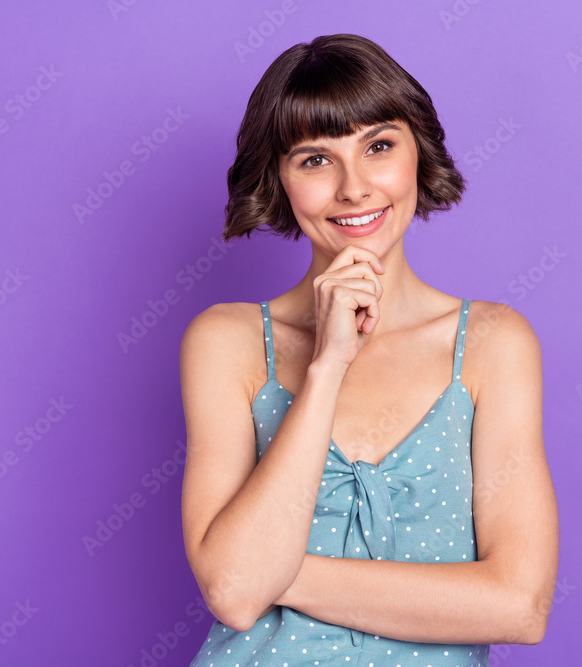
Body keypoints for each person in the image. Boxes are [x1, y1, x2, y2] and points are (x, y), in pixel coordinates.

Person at [179, 33, 559, 666]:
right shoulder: (228, 342)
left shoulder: (493, 343)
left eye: (378, 146)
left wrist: (273, 574)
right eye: (314, 160)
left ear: (417, 153)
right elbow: (234, 601)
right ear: (279, 178)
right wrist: (327, 366)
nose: (354, 188)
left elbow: (519, 606)